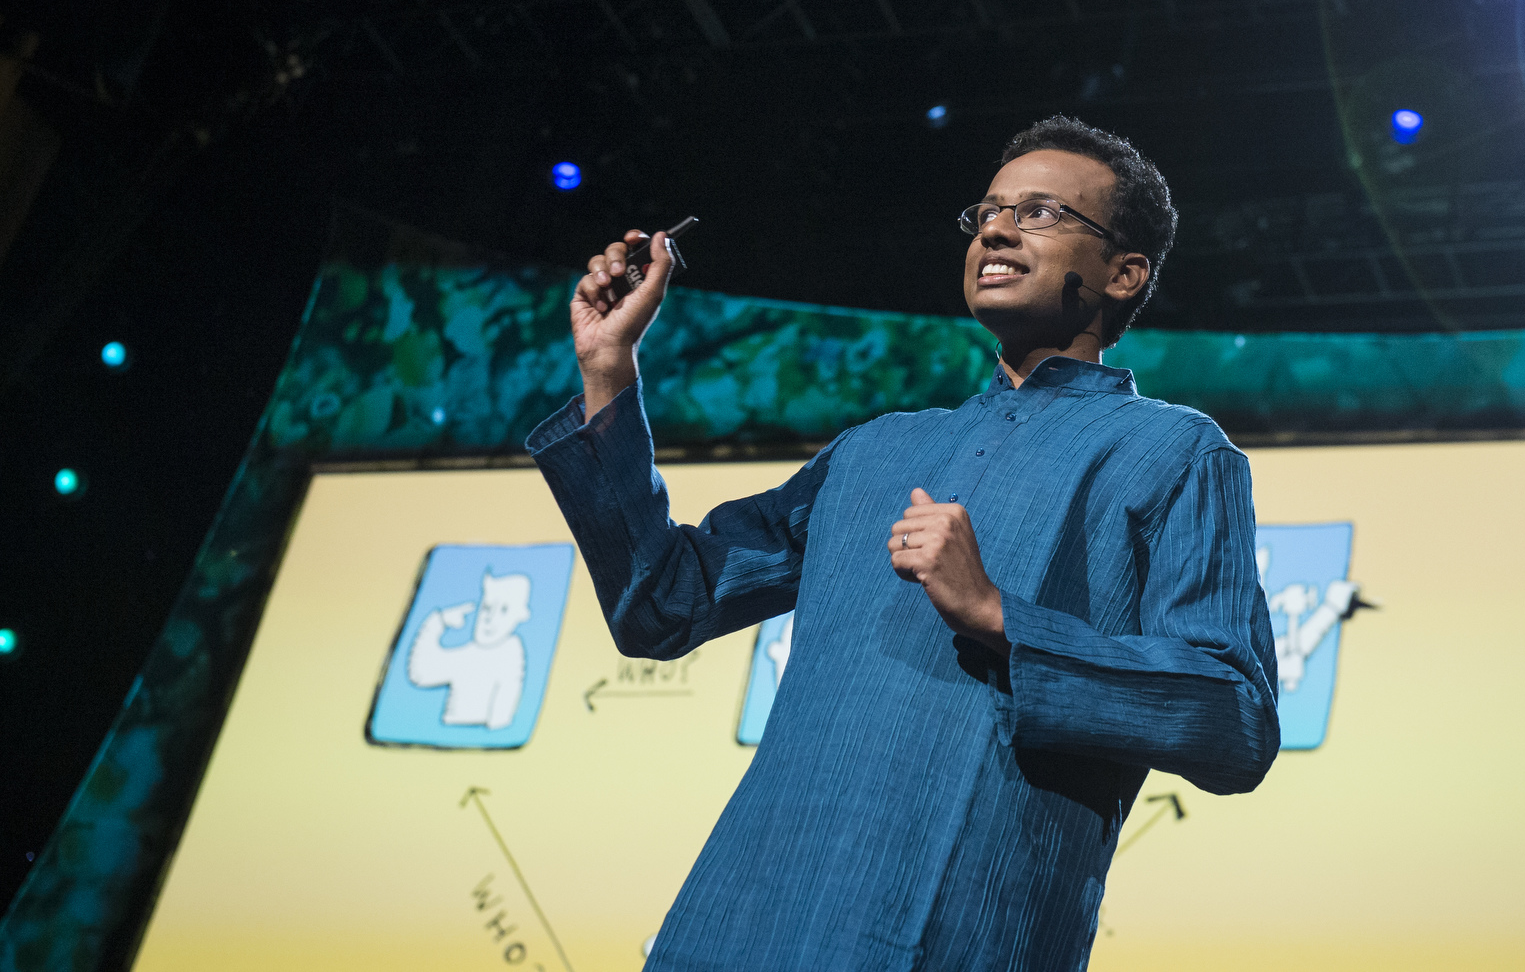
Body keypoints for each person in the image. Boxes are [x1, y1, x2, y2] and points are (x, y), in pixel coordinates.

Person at [527, 116, 1279, 972]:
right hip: (738, 920)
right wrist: (609, 370)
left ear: (1124, 272)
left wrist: (999, 616)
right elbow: (663, 603)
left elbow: (1236, 719)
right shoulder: (875, 449)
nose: (996, 231)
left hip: (954, 932)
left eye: (1039, 213)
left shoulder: (1175, 451)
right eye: (986, 213)